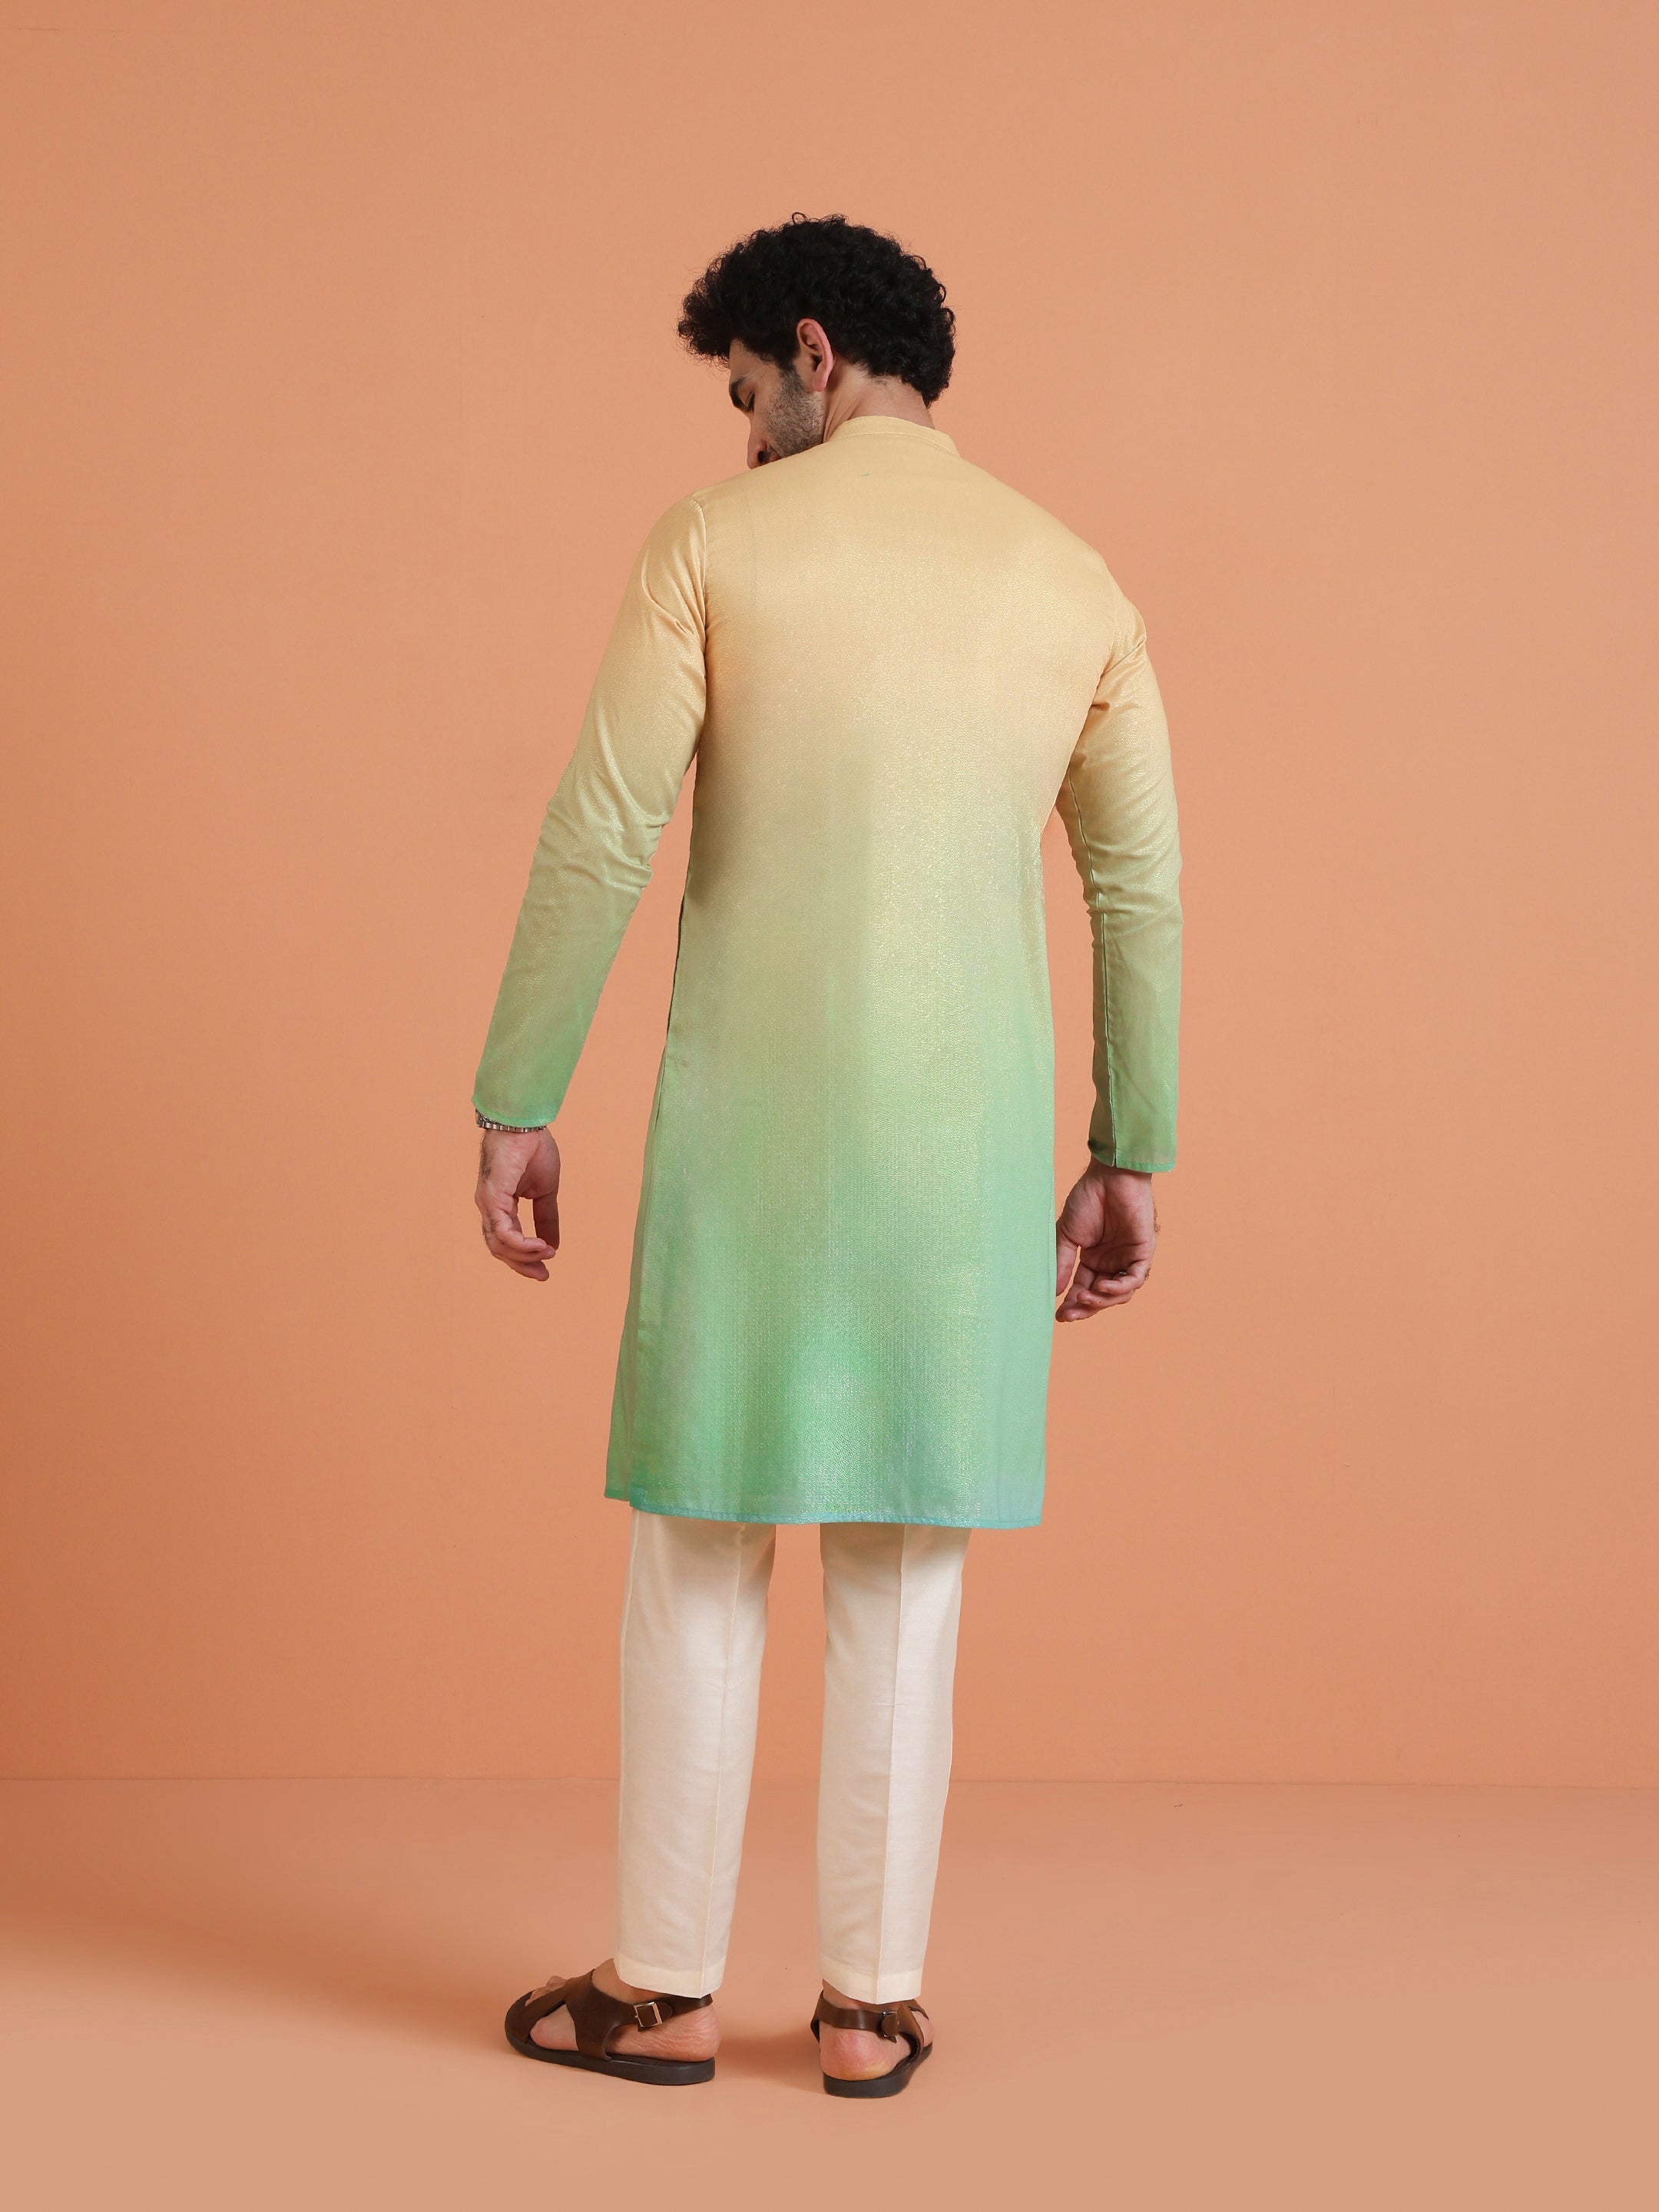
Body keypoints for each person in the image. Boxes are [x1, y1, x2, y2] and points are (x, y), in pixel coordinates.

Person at [472, 213, 1182, 2096]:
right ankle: (870, 2010)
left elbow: (604, 826)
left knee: (702, 1547)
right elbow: (1138, 888)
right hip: (964, 1163)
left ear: (809, 349)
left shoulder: (717, 545)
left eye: (743, 395)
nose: (742, 435)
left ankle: (662, 1990)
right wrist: (1132, 1144)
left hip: (751, 1143)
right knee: (907, 1565)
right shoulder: (1074, 581)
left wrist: (519, 1095)